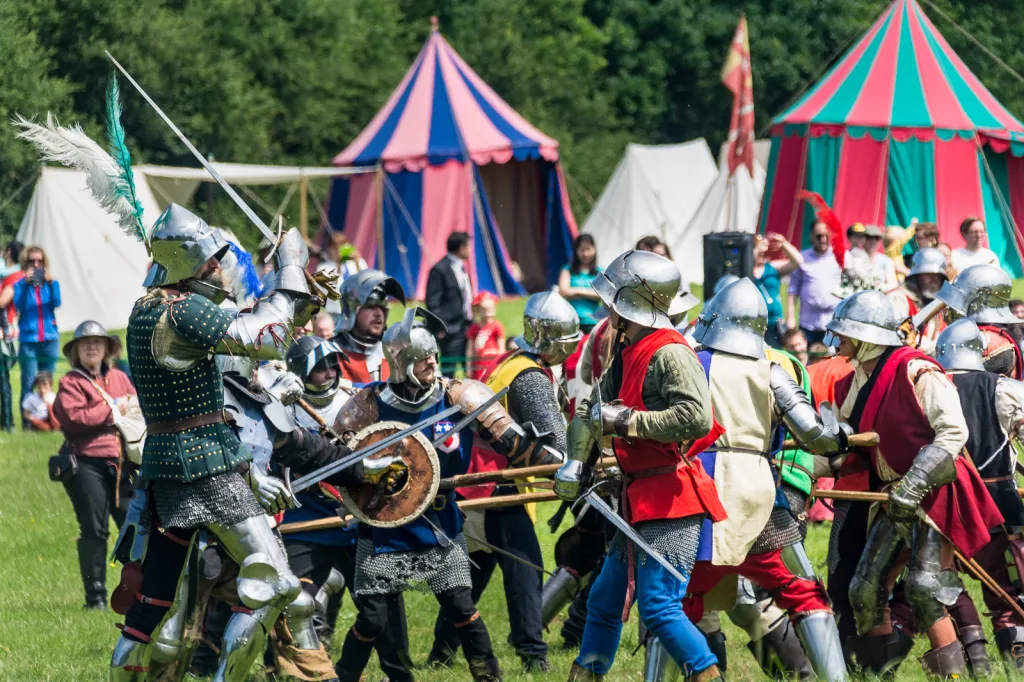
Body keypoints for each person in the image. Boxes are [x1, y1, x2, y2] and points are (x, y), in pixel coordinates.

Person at [108, 206, 377, 681]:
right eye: (210, 261)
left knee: (151, 609)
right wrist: (290, 266)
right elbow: (268, 337)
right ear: (188, 264)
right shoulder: (182, 308)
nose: (219, 267)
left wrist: (293, 301)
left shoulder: (145, 309)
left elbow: (244, 335)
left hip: (173, 467)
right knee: (272, 583)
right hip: (207, 468)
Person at [333, 308, 558, 682]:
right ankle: (344, 676)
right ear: (402, 362)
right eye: (423, 360)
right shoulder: (369, 406)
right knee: (372, 617)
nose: (433, 363)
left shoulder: (460, 396)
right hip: (384, 526)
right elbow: (337, 459)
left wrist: (558, 464)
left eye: (434, 356)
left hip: (439, 524)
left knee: (462, 608)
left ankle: (490, 678)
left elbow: (516, 446)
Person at [553, 249, 727, 682]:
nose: (607, 307)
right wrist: (575, 465)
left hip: (671, 498)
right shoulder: (631, 348)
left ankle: (708, 675)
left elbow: (696, 418)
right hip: (638, 498)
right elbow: (591, 410)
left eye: (613, 298)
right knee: (605, 599)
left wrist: (627, 421)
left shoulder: (671, 353)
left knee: (659, 605)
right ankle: (586, 674)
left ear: (632, 300)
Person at [677, 278, 848, 682]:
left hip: (702, 493)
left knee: (679, 599)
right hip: (757, 492)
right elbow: (816, 436)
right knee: (802, 589)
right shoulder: (770, 370)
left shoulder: (690, 363)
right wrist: (838, 432)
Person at [825, 291, 1002, 677]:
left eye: (846, 333)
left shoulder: (918, 370)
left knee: (925, 589)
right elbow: (849, 443)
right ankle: (878, 672)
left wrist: (913, 486)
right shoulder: (852, 381)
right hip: (892, 495)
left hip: (933, 491)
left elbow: (953, 433)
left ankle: (953, 674)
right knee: (864, 590)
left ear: (866, 336)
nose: (838, 340)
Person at [431, 290, 576, 672]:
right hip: (497, 483)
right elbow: (555, 444)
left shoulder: (508, 360)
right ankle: (533, 655)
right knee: (525, 569)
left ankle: (440, 654)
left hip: (476, 478)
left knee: (475, 573)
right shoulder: (528, 375)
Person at [935, 319, 1024, 670]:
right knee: (1008, 590)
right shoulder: (1002, 388)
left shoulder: (926, 384)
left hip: (944, 505)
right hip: (996, 504)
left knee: (942, 584)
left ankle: (976, 660)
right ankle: (1016, 660)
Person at [52, 321, 136, 610]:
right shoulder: (70, 383)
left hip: (123, 465)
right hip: (86, 463)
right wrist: (113, 408)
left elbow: (136, 409)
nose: (92, 347)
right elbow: (73, 419)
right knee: (94, 529)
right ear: (76, 350)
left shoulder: (120, 378)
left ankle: (141, 593)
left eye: (98, 342)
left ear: (106, 348)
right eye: (86, 343)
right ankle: (96, 599)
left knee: (134, 526)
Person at [0, 245, 61, 422]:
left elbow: (56, 302)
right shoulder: (19, 285)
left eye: (39, 261)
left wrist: (50, 283)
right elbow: (19, 305)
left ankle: (49, 421)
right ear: (25, 263)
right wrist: (26, 285)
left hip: (50, 339)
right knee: (28, 383)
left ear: (44, 263)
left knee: (47, 383)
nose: (36, 264)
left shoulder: (52, 283)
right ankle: (28, 423)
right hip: (29, 340)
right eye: (32, 261)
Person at [333, 269, 404, 383]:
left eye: (382, 307)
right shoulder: (330, 355)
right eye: (370, 306)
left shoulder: (395, 354)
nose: (378, 314)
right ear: (352, 310)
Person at [426, 231, 474, 376]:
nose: (470, 250)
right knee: (449, 369)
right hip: (450, 329)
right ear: (461, 248)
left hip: (466, 326)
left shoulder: (460, 267)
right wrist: (442, 327)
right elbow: (433, 302)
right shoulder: (440, 270)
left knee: (470, 368)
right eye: (469, 246)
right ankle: (447, 398)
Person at [787, 221, 842, 345]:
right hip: (808, 325)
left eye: (826, 235)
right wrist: (790, 319)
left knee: (832, 362)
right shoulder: (802, 258)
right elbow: (792, 290)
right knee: (807, 360)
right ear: (811, 236)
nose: (823, 239)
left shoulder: (841, 257)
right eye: (818, 236)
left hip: (833, 324)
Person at [886, 247, 949, 353]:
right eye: (929, 274)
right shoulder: (899, 298)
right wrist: (939, 348)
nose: (934, 279)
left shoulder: (935, 304)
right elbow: (900, 337)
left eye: (938, 276)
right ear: (916, 276)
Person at [754, 232, 803, 347]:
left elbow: (798, 261)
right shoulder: (745, 270)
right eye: (759, 252)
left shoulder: (772, 267)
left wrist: (784, 244)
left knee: (775, 357)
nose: (763, 254)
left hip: (774, 325)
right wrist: (756, 249)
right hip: (754, 324)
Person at [559, 234, 603, 333]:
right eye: (582, 250)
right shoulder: (567, 270)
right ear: (576, 251)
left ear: (594, 250)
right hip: (570, 321)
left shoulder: (600, 272)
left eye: (588, 249)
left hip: (593, 322)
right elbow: (563, 292)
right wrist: (590, 293)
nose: (585, 254)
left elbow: (601, 295)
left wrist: (578, 291)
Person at [0, 241, 23, 431]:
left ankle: (8, 422)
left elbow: (2, 303)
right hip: (8, 330)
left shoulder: (13, 277)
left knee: (3, 378)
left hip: (5, 332)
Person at [466, 292, 505, 380]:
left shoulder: (496, 326)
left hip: (493, 362)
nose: (487, 313)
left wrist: (501, 364)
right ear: (478, 310)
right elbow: (469, 350)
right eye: (483, 310)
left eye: (490, 309)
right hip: (478, 364)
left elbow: (501, 347)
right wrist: (468, 367)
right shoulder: (474, 328)